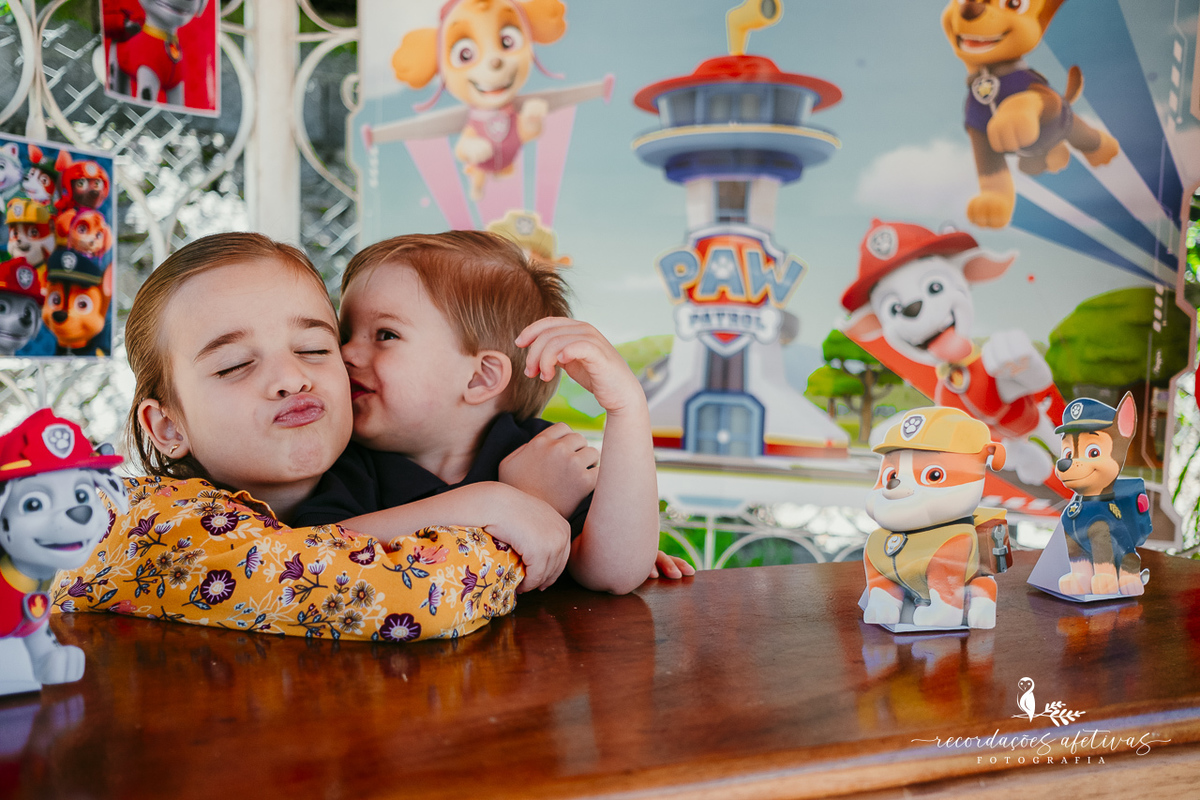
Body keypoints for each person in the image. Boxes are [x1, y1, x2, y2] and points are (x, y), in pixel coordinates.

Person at [53, 232, 572, 641]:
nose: (292, 377)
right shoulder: (150, 521)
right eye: (234, 364)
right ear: (168, 426)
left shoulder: (380, 480)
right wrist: (502, 504)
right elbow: (398, 596)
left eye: (315, 349)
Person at [294, 231, 693, 594]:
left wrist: (627, 408)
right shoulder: (343, 460)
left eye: (386, 335)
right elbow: (309, 553)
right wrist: (516, 502)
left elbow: (615, 573)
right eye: (345, 334)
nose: (345, 353)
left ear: (480, 377)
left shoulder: (543, 454)